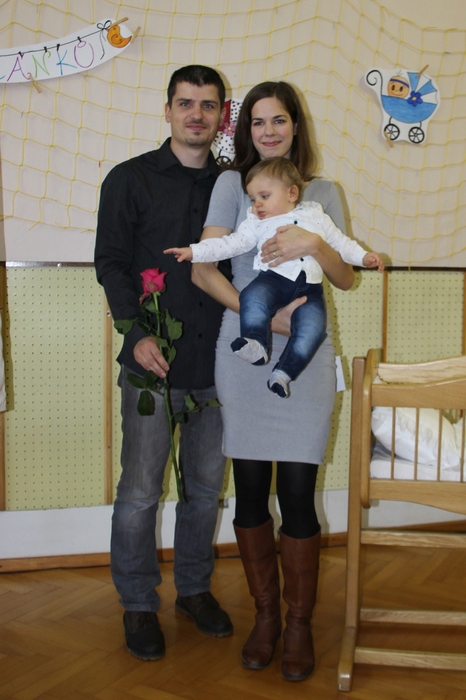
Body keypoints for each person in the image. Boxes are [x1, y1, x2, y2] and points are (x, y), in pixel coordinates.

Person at [191, 81, 356, 682]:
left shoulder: (322, 192)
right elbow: (206, 271)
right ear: (246, 130)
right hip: (245, 351)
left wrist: (314, 242)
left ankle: (299, 623)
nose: (268, 131)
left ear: (294, 126)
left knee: (298, 495)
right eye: (258, 122)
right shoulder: (230, 185)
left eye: (278, 120)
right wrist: (261, 317)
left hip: (307, 358)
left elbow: (345, 278)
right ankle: (266, 618)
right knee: (252, 491)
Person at [94, 65, 233, 662]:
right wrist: (134, 333)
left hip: (218, 367)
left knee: (205, 491)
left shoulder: (235, 185)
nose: (196, 114)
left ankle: (194, 591)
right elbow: (110, 263)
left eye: (208, 105)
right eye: (186, 103)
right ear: (168, 109)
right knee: (139, 492)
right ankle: (137, 603)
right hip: (149, 364)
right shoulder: (129, 180)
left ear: (222, 114)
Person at [165, 157, 383, 398]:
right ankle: (255, 342)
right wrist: (194, 251)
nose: (257, 204)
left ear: (292, 193)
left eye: (264, 196)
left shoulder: (316, 215)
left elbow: (342, 244)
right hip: (274, 280)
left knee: (313, 331)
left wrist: (364, 258)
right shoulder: (255, 222)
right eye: (253, 199)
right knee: (252, 296)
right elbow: (228, 245)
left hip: (310, 291)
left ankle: (284, 373)